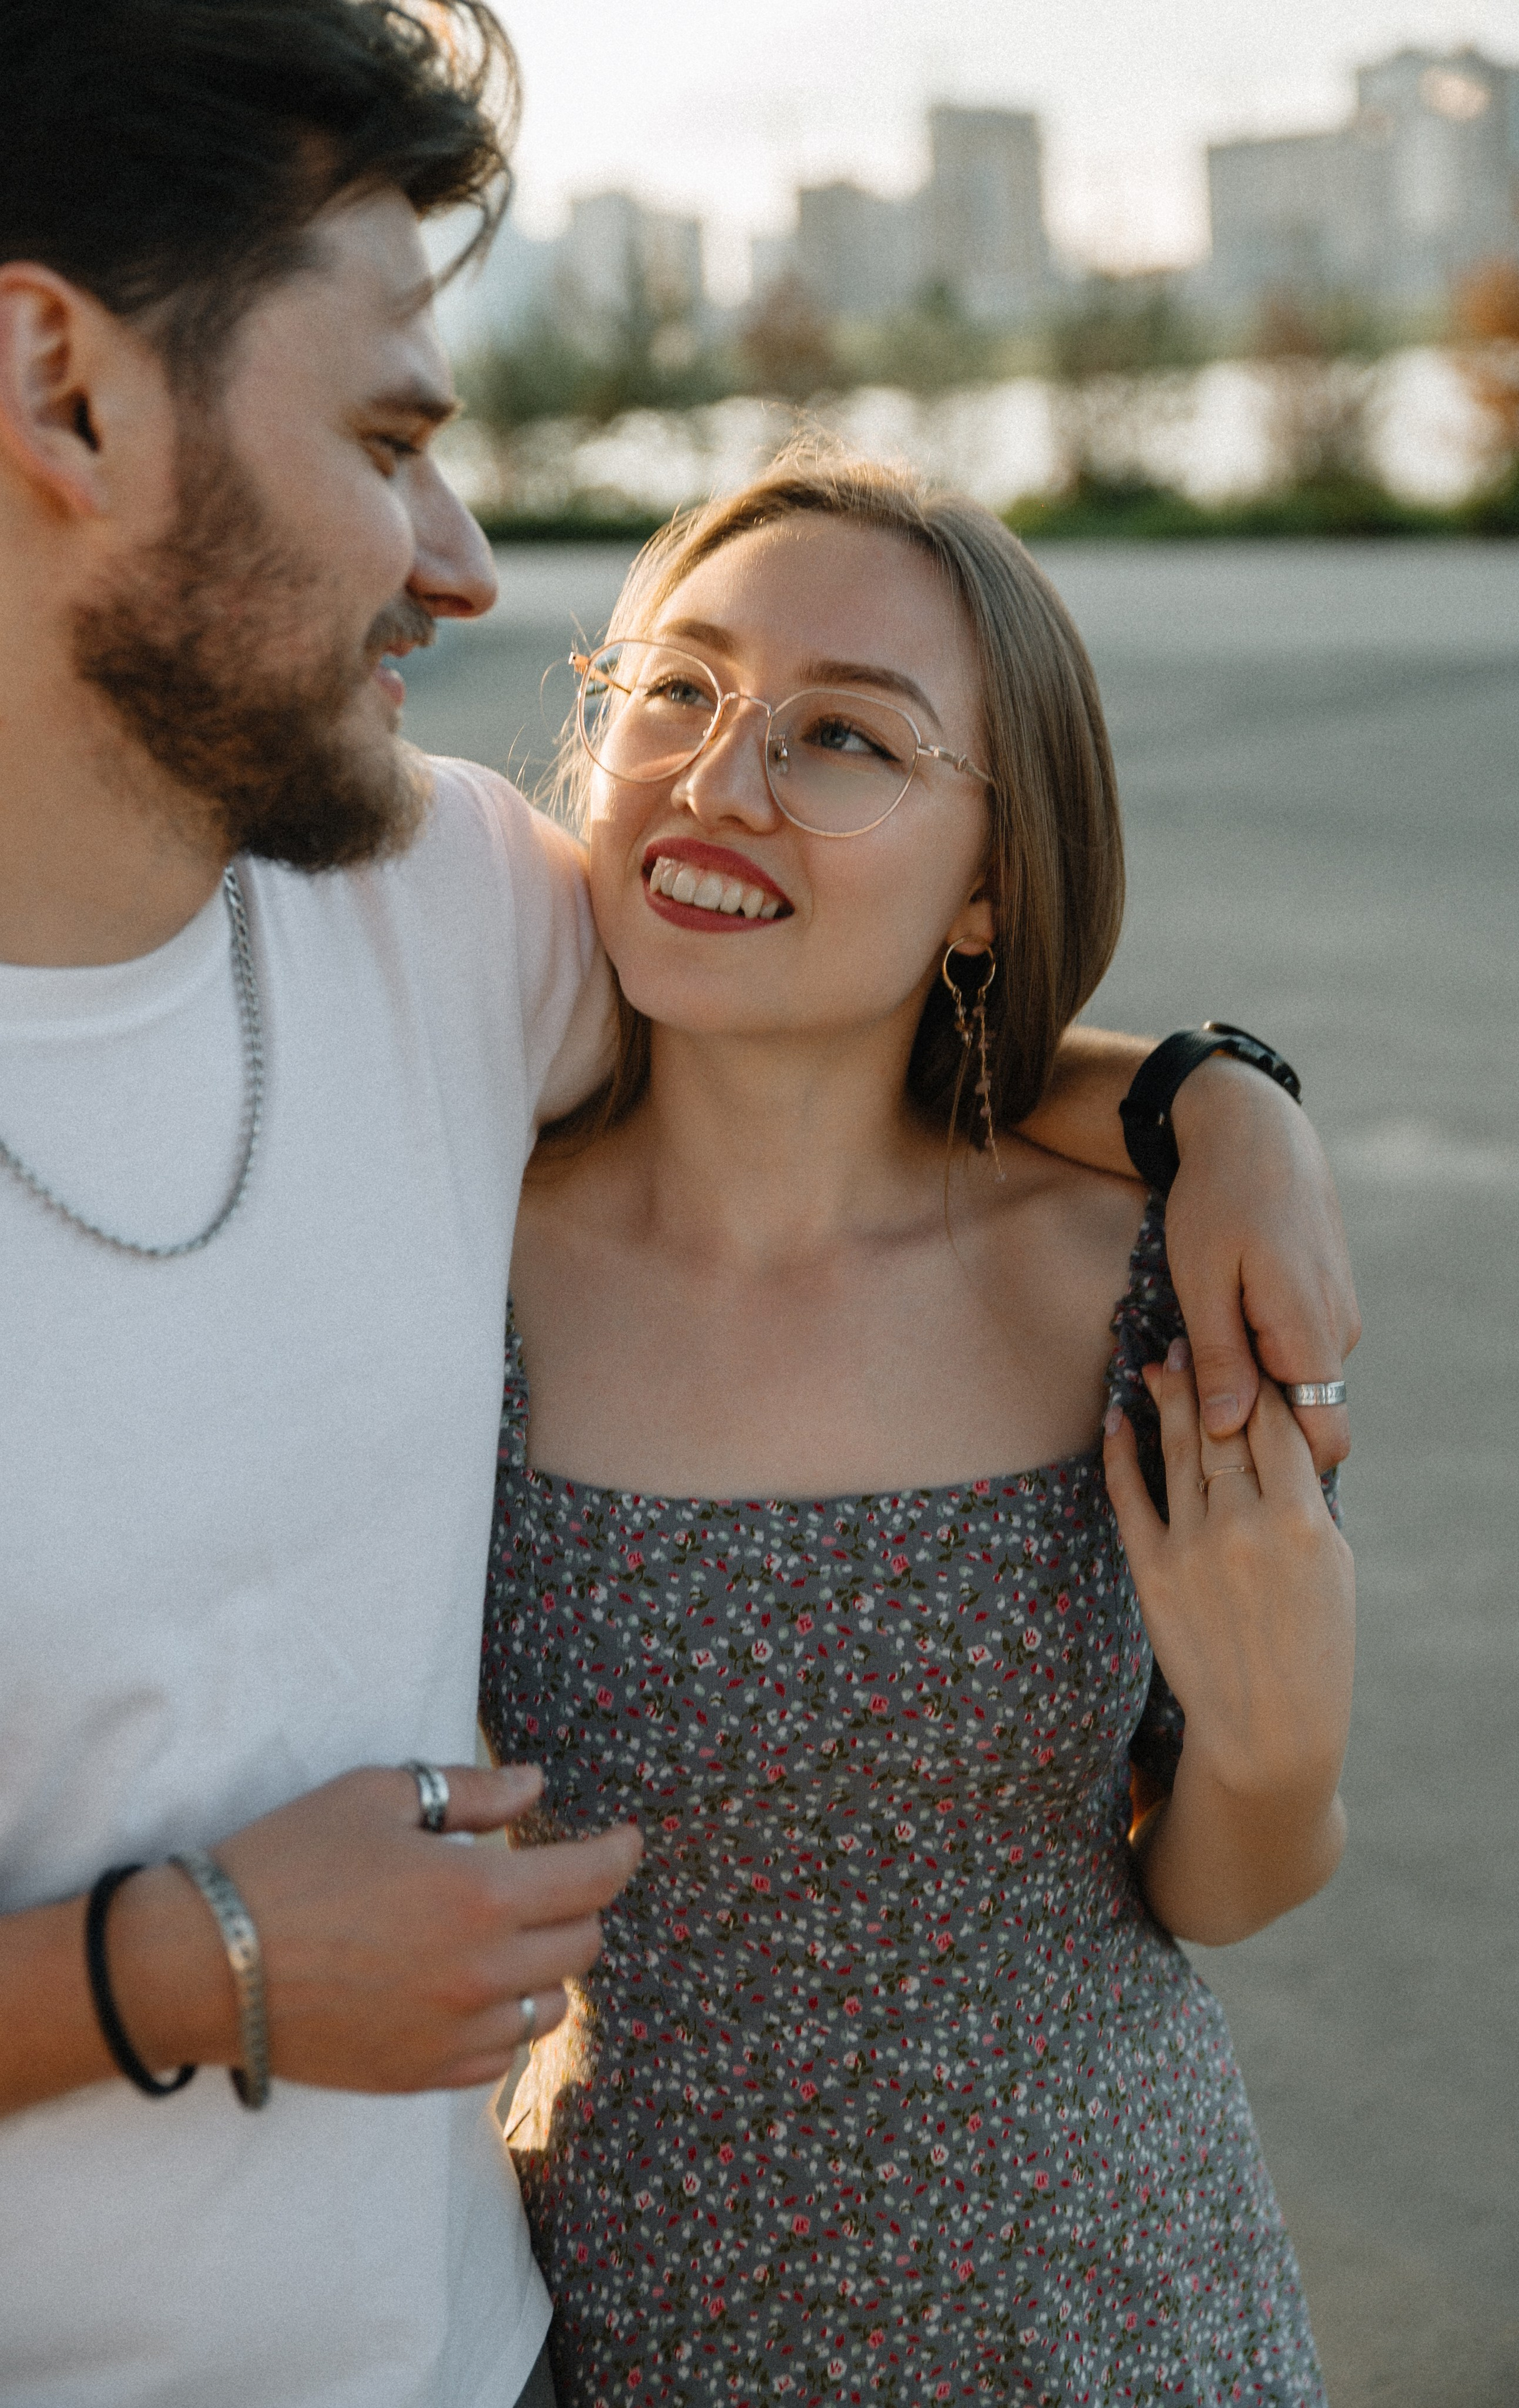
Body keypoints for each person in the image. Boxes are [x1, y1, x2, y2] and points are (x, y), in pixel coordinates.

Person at [0, 7, 1354, 2405]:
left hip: (598, 2346)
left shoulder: (433, 916)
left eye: (837, 731)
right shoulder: (491, 1058)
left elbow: (837, 1025)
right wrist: (186, 1964)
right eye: (391, 442)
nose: (465, 563)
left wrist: (1217, 1101)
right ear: (60, 391)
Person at [481, 452, 1356, 2404]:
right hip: (637, 2318)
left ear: (987, 888)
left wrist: (1279, 1751)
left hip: (1120, 2316)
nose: (720, 781)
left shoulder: (1144, 1285)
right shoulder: (453, 1273)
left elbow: (1216, 1885)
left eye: (845, 738)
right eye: (677, 689)